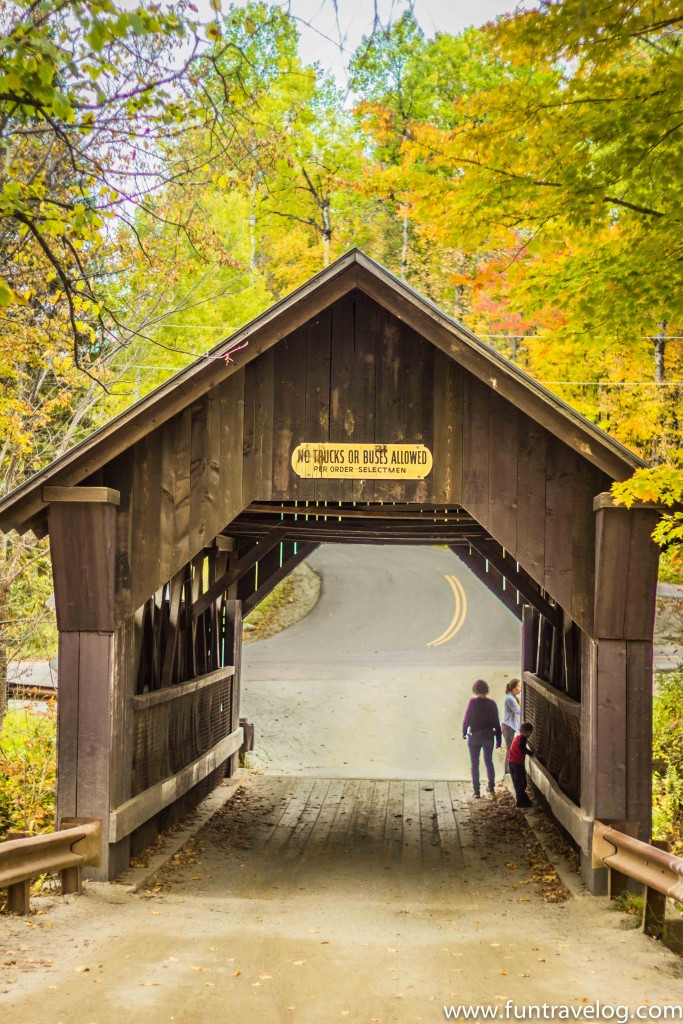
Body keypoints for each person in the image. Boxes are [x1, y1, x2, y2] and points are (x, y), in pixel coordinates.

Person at [462, 679, 502, 798]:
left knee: (475, 764)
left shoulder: (472, 702)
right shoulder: (492, 703)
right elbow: (496, 722)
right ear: (486, 690)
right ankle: (491, 787)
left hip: (474, 736)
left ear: (475, 689)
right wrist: (499, 740)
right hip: (489, 735)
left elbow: (467, 718)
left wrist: (464, 732)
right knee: (488, 761)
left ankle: (476, 791)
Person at [508, 722, 534, 808]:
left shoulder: (517, 737)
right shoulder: (522, 738)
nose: (530, 735)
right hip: (517, 763)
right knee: (522, 783)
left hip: (512, 763)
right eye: (530, 733)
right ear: (528, 732)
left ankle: (524, 801)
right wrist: (530, 753)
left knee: (518, 783)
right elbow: (521, 747)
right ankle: (520, 802)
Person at [502, 679, 521, 774]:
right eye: (519, 686)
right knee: (510, 748)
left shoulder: (515, 697)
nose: (520, 688)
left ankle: (508, 770)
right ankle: (507, 770)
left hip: (511, 727)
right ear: (513, 688)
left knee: (511, 748)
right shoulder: (509, 698)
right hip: (508, 727)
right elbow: (519, 711)